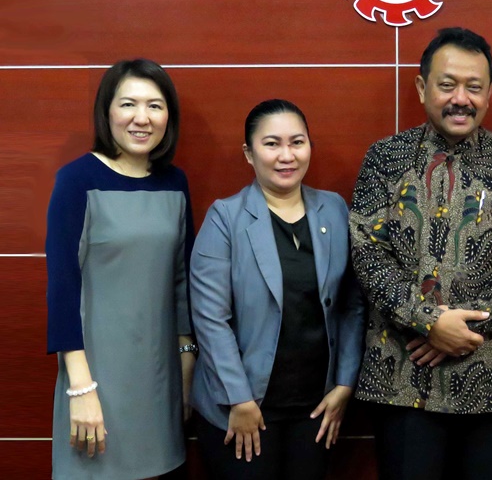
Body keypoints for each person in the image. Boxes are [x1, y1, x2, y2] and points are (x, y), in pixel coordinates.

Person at [349, 27, 492, 480]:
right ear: (422, 88)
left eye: (474, 87)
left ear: (490, 93)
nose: (460, 98)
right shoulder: (385, 158)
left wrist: (465, 324)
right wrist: (429, 322)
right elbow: (366, 251)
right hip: (402, 377)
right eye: (447, 85)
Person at [189, 99, 365, 479]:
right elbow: (209, 318)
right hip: (243, 408)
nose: (286, 155)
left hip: (316, 407)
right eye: (271, 144)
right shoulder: (226, 217)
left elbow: (351, 305)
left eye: (297, 142)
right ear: (249, 154)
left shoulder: (333, 210)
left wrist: (345, 383)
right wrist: (239, 397)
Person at [46, 59, 196, 479]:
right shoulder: (76, 180)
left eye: (155, 105)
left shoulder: (174, 183)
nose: (141, 118)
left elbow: (182, 279)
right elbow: (62, 287)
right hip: (95, 379)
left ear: (169, 116)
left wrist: (188, 361)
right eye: (128, 104)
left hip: (160, 379)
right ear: (107, 111)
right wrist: (81, 389)